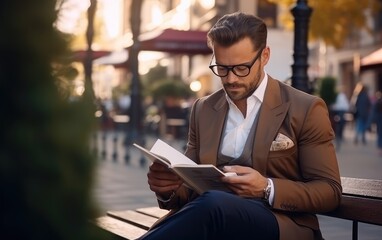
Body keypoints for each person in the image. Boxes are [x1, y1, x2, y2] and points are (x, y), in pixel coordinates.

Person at [140, 12, 342, 240]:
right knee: (213, 204)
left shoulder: (305, 108)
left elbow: (330, 191)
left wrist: (267, 187)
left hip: (279, 223)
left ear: (264, 56)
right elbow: (190, 189)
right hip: (216, 222)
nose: (231, 79)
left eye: (241, 68)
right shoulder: (203, 109)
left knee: (215, 203)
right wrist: (169, 188)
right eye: (222, 68)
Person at [368, 91, 382, 155]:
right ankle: (380, 149)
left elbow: (373, 113)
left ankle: (380, 149)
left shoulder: (376, 103)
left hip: (379, 120)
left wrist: (372, 121)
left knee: (379, 134)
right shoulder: (377, 103)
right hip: (379, 119)